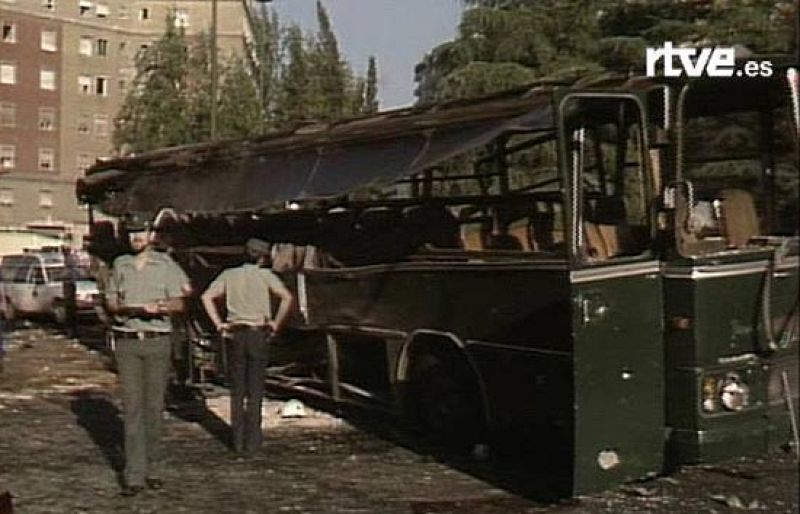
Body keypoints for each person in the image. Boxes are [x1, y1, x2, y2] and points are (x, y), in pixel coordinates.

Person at [106, 221, 191, 496]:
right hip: (127, 342)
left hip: (157, 342)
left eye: (140, 233)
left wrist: (161, 307)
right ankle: (134, 474)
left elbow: (180, 302)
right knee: (132, 408)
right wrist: (126, 307)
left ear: (151, 236)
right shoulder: (120, 264)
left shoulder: (165, 264)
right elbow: (111, 301)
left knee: (154, 408)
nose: (136, 238)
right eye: (131, 234)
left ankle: (154, 468)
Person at [201, 238, 293, 457]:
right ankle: (253, 443)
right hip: (257, 333)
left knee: (237, 389)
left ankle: (237, 442)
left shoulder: (229, 275)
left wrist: (219, 324)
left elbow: (207, 297)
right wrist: (275, 323)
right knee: (255, 390)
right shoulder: (265, 276)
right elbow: (287, 298)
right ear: (262, 257)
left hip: (235, 334)